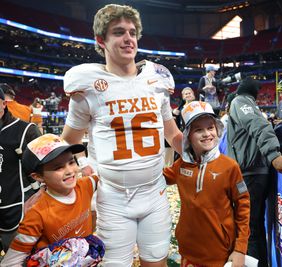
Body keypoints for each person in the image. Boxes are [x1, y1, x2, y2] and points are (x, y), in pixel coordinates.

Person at [61, 4, 183, 266]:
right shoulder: (89, 86)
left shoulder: (156, 80)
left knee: (156, 261)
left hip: (155, 194)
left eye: (132, 32)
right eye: (118, 32)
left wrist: (206, 155)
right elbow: (67, 143)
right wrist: (80, 170)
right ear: (100, 41)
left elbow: (173, 135)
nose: (129, 39)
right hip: (113, 197)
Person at [164, 101, 250, 266]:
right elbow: (158, 178)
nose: (206, 134)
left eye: (210, 128)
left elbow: (243, 208)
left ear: (217, 130)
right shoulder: (181, 165)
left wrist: (240, 248)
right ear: (188, 134)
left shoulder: (230, 167)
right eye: (198, 130)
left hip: (220, 254)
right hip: (188, 251)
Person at [227, 77, 282, 266]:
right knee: (255, 227)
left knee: (248, 229)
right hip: (254, 172)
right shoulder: (250, 104)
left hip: (251, 174)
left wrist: (273, 155)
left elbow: (259, 126)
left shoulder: (239, 101)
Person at [0, 134, 99, 266]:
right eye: (58, 167)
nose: (70, 171)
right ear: (38, 176)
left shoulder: (85, 186)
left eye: (71, 162)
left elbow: (105, 177)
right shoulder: (37, 213)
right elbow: (10, 262)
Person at [0, 85, 41, 255]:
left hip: (18, 212)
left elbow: (48, 165)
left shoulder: (27, 130)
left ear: (4, 103)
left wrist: (40, 194)